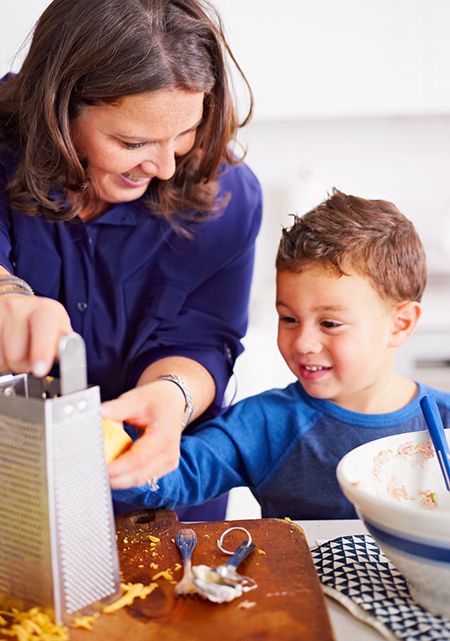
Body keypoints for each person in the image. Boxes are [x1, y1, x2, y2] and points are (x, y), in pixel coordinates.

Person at [0, 0, 262, 519]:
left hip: (169, 488)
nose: (165, 166)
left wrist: (173, 397)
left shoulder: (227, 198)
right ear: (58, 109)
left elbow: (202, 339)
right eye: (133, 141)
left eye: (184, 132)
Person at [112, 188, 450, 519]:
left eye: (330, 323)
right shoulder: (265, 424)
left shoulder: (444, 419)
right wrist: (108, 449)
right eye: (288, 318)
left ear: (400, 324)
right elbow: (172, 479)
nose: (302, 342)